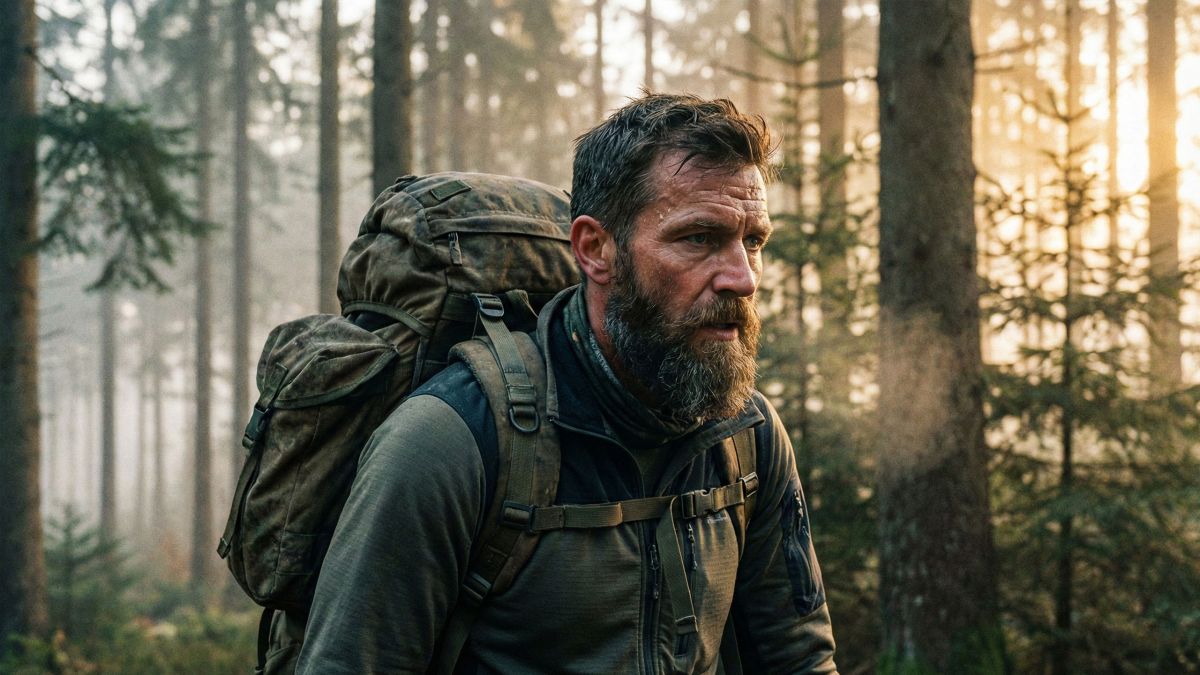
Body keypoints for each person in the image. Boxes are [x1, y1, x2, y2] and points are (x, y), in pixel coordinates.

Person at [295, 93, 837, 674]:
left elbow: (798, 659)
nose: (742, 278)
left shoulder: (746, 433)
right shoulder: (451, 441)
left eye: (752, 241)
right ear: (595, 249)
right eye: (699, 238)